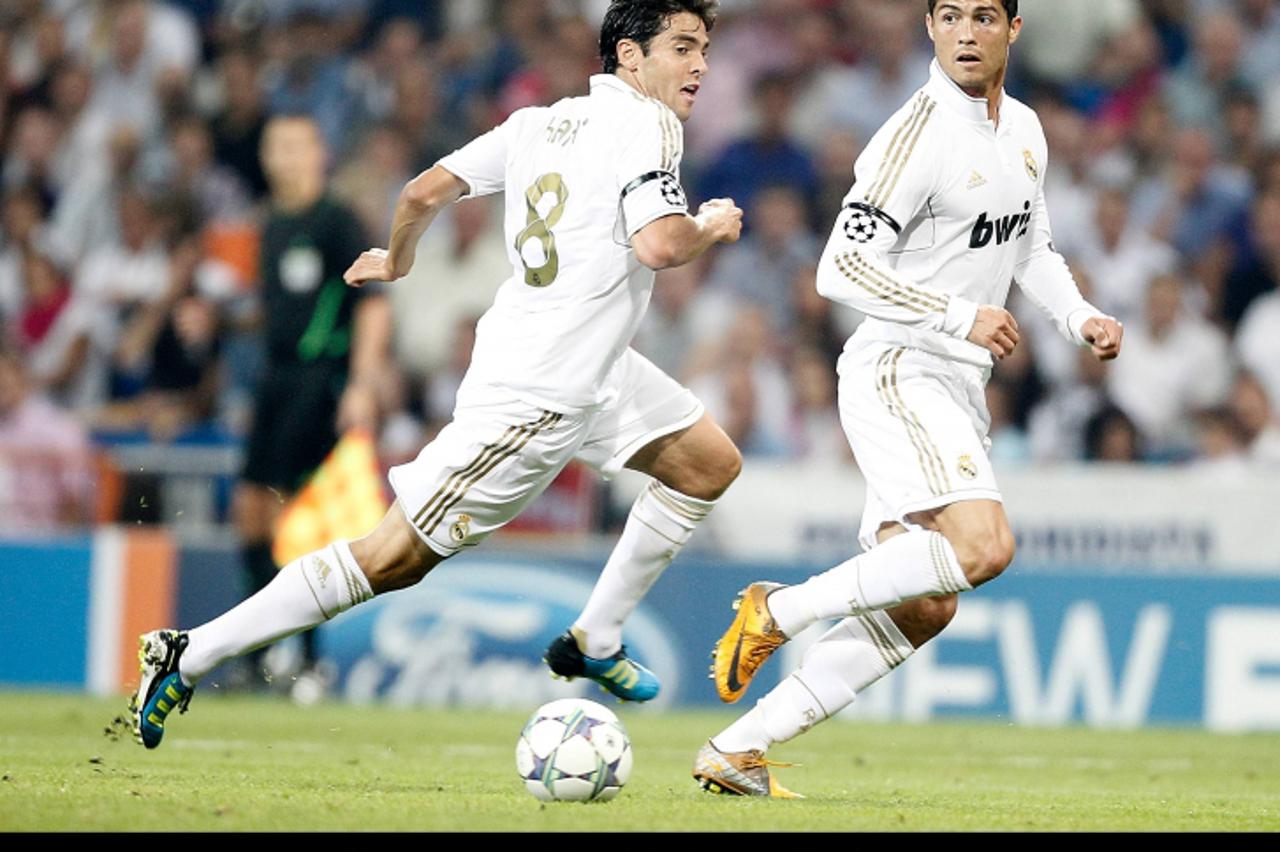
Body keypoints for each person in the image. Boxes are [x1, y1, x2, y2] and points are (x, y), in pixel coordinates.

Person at [131, 0, 743, 749]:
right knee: (392, 559)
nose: (700, 65)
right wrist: (709, 226)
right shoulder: (649, 126)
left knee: (707, 464)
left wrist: (399, 257)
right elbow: (658, 244)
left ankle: (597, 637)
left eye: (704, 49)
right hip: (538, 396)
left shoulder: (535, 125)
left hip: (595, 366)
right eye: (684, 47)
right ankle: (190, 653)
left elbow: (423, 190)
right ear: (628, 57)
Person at [692, 0, 1124, 798]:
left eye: (984, 16)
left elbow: (1032, 246)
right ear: (929, 27)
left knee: (927, 604)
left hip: (957, 383)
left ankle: (736, 749)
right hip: (901, 366)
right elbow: (838, 269)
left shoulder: (1025, 130)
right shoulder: (915, 134)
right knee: (984, 549)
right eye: (950, 16)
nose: (966, 32)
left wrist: (1079, 315)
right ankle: (779, 610)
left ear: (1013, 31)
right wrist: (959, 314)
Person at [230, 113, 393, 697]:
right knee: (250, 512)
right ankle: (259, 655)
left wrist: (361, 383)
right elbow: (278, 307)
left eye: (298, 145)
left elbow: (373, 304)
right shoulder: (271, 223)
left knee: (299, 517)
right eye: (277, 147)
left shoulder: (337, 220)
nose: (286, 157)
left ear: (319, 153)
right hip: (274, 380)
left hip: (321, 377)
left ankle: (306, 660)